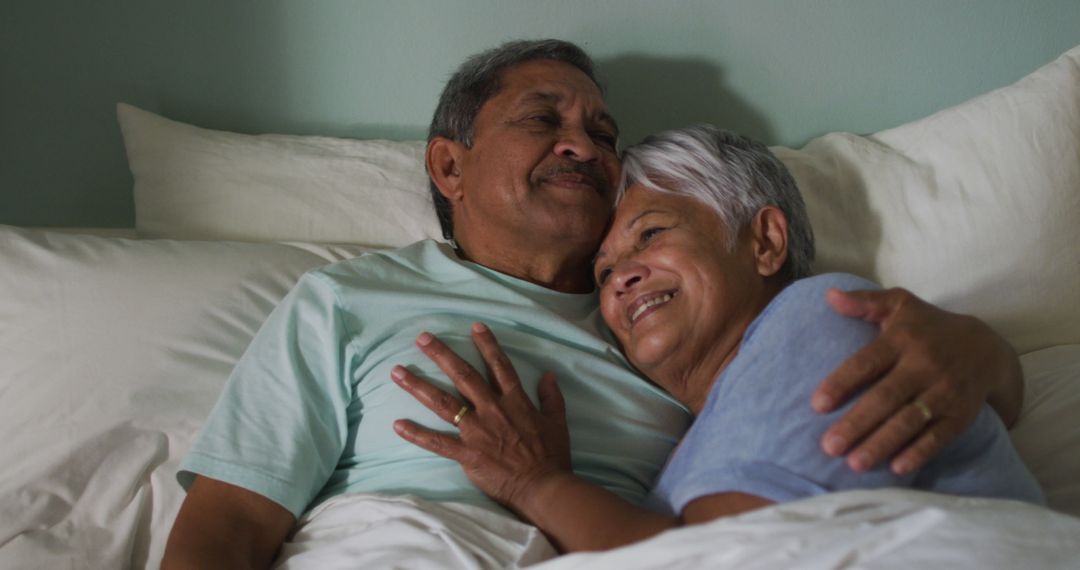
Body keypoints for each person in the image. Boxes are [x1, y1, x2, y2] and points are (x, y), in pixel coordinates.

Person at [163, 40, 1025, 568]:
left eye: (604, 135)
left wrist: (986, 350)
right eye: (543, 120)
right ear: (449, 168)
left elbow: (729, 546)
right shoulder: (345, 300)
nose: (584, 144)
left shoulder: (688, 336)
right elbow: (230, 524)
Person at [391, 125, 1043, 552]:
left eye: (650, 235)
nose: (621, 279)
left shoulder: (823, 313)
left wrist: (535, 482)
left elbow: (715, 560)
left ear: (765, 241)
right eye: (606, 270)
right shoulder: (695, 442)